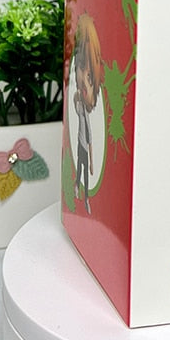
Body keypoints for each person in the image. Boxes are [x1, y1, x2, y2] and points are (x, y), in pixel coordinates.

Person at [72, 13, 104, 214]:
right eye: (80, 66)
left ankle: (85, 199)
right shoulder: (80, 107)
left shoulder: (87, 117)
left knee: (83, 169)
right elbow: (77, 107)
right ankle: (78, 188)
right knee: (79, 168)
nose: (84, 79)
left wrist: (92, 163)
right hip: (79, 144)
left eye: (90, 77)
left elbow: (91, 140)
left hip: (84, 145)